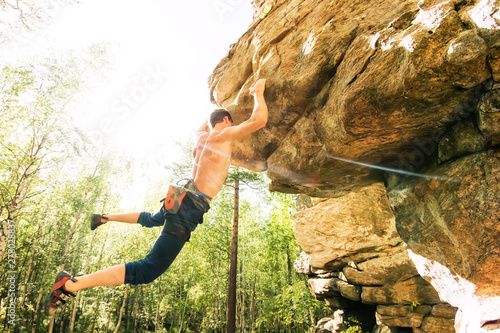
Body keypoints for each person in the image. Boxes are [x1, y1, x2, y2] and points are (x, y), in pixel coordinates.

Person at [45, 79, 268, 315]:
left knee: (153, 218)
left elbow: (201, 128)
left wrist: (213, 113)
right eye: (228, 121)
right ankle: (69, 284)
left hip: (181, 195)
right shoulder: (222, 136)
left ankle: (104, 217)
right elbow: (259, 120)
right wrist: (258, 92)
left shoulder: (201, 139)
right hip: (189, 206)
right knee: (148, 270)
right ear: (225, 121)